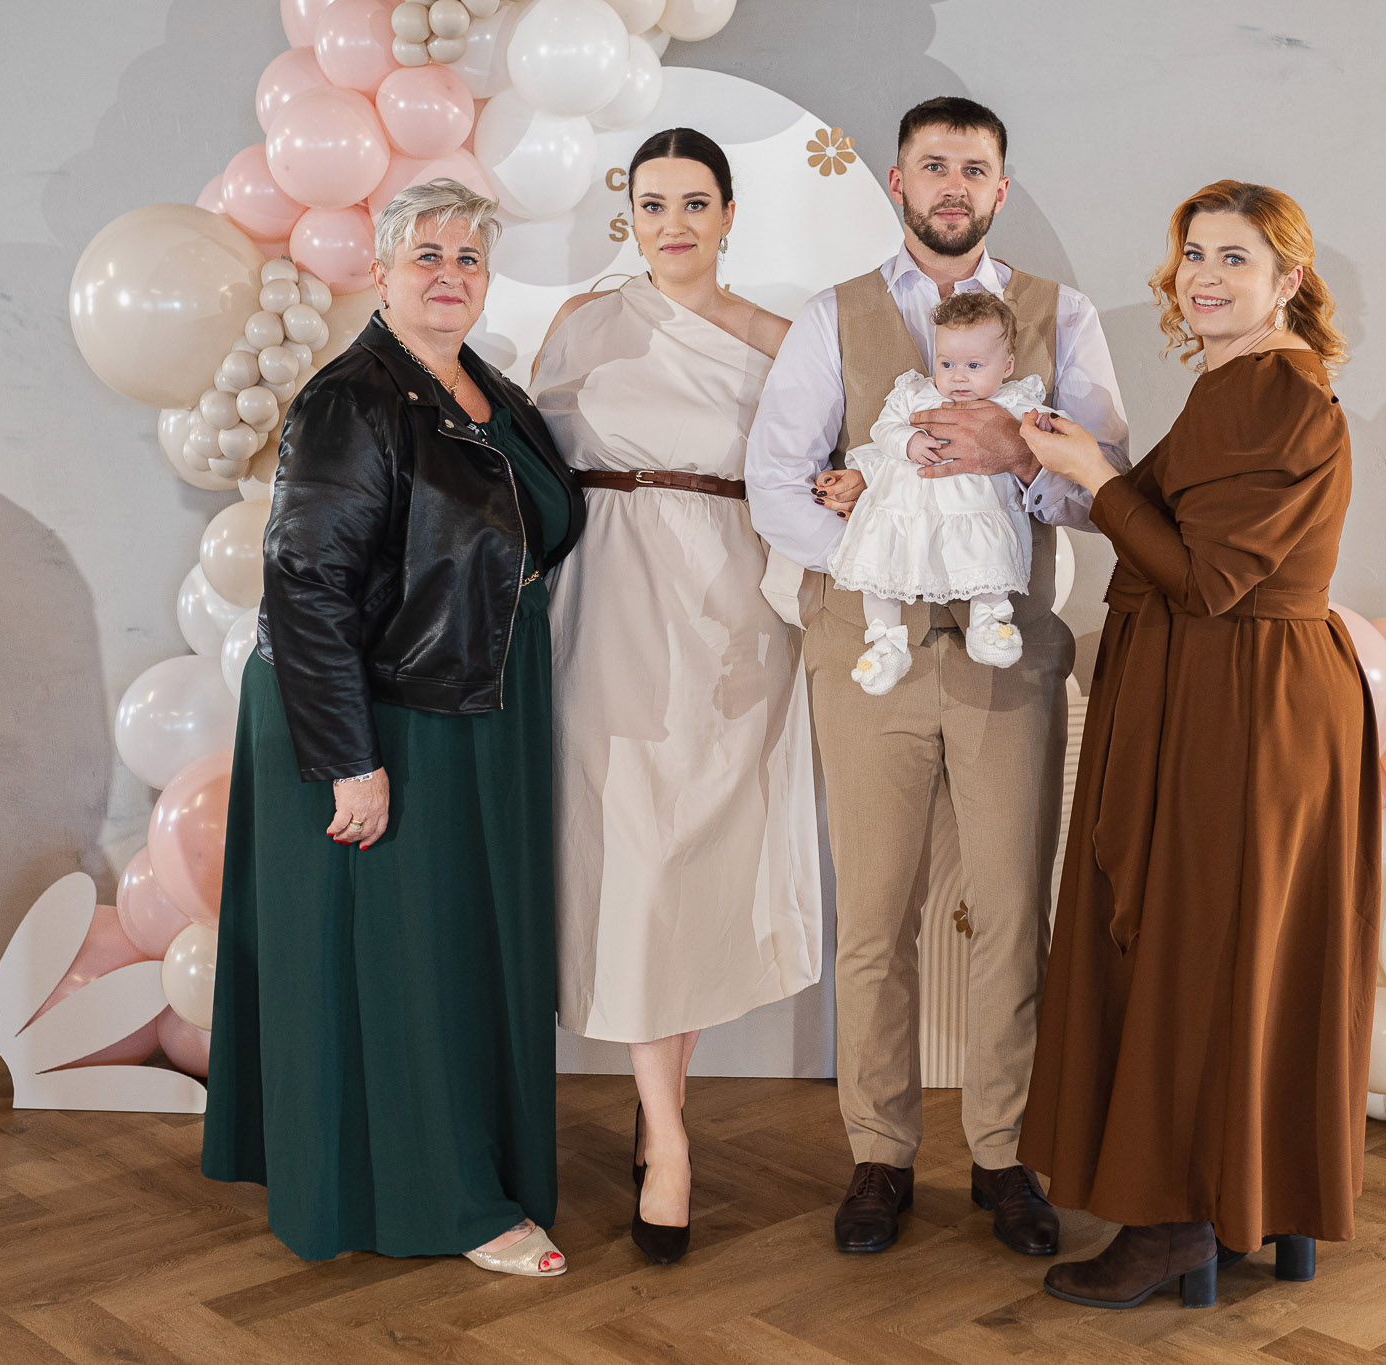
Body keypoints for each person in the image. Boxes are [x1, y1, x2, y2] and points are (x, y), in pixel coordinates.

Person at [745, 95, 1129, 1257]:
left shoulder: (1060, 316)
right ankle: (879, 1153)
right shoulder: (834, 317)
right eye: (930, 165)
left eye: (971, 168)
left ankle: (1005, 1157)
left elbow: (1103, 481)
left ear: (997, 189)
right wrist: (881, 554)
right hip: (867, 652)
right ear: (898, 184)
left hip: (1008, 651)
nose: (950, 185)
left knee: (1011, 914)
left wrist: (1019, 458)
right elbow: (774, 478)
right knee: (874, 919)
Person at [202, 179, 586, 1277]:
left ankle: (471, 1164)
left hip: (474, 701)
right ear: (379, 271)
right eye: (427, 255)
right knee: (412, 959)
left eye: (468, 258)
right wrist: (349, 761)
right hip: (384, 714)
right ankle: (446, 1203)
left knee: (459, 950)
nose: (449, 275)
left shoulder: (484, 387)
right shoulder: (350, 399)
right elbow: (305, 586)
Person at [1015, 180, 1380, 1310]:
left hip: (1239, 705)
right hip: (1242, 695)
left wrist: (1094, 475)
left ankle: (1175, 1221)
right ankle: (1253, 1196)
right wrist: (1084, 472)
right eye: (1194, 255)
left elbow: (1204, 577)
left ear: (1288, 281)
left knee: (1194, 948)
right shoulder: (1243, 384)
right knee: (1239, 950)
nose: (1205, 276)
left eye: (1235, 257)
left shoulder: (1267, 390)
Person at [533, 128, 820, 1266]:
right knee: (635, 858)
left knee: (696, 864)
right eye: (652, 204)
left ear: (729, 213)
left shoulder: (781, 341)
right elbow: (527, 468)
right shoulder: (581, 322)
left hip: (730, 612)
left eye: (695, 202)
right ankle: (669, 1139)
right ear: (630, 217)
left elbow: (809, 481)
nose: (673, 224)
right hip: (604, 603)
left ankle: (664, 1119)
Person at [825, 292, 1064, 694]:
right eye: (946, 363)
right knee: (879, 569)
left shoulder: (1013, 402)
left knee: (988, 555)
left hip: (977, 509)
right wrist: (907, 441)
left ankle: (989, 623)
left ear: (1006, 366)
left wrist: (1042, 430)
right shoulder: (913, 394)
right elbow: (883, 429)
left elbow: (1055, 433)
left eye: (974, 366)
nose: (958, 377)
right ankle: (886, 643)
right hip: (905, 509)